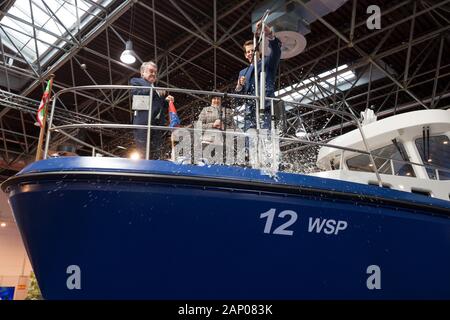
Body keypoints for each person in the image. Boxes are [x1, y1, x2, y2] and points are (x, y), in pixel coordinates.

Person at [235, 20, 281, 130]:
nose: (251, 53)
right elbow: (239, 96)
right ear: (245, 55)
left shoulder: (267, 62)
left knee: (267, 137)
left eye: (252, 50)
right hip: (250, 111)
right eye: (248, 52)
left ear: (258, 50)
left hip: (266, 106)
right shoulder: (242, 72)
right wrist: (239, 87)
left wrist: (269, 33)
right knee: (250, 142)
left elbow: (276, 51)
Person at [130, 61, 174, 159]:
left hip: (157, 126)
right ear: (142, 73)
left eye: (155, 72)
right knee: (143, 153)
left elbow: (160, 106)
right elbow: (138, 93)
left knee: (157, 153)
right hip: (143, 124)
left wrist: (167, 101)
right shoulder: (136, 81)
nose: (153, 74)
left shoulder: (156, 89)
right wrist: (154, 90)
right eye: (151, 71)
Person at [196, 95, 237, 163]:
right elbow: (198, 126)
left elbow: (234, 129)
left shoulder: (228, 111)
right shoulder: (205, 110)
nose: (216, 101)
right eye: (214, 98)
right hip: (207, 141)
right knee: (206, 163)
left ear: (221, 100)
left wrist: (224, 127)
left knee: (221, 165)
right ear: (211, 100)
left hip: (223, 143)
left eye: (218, 99)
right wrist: (213, 125)